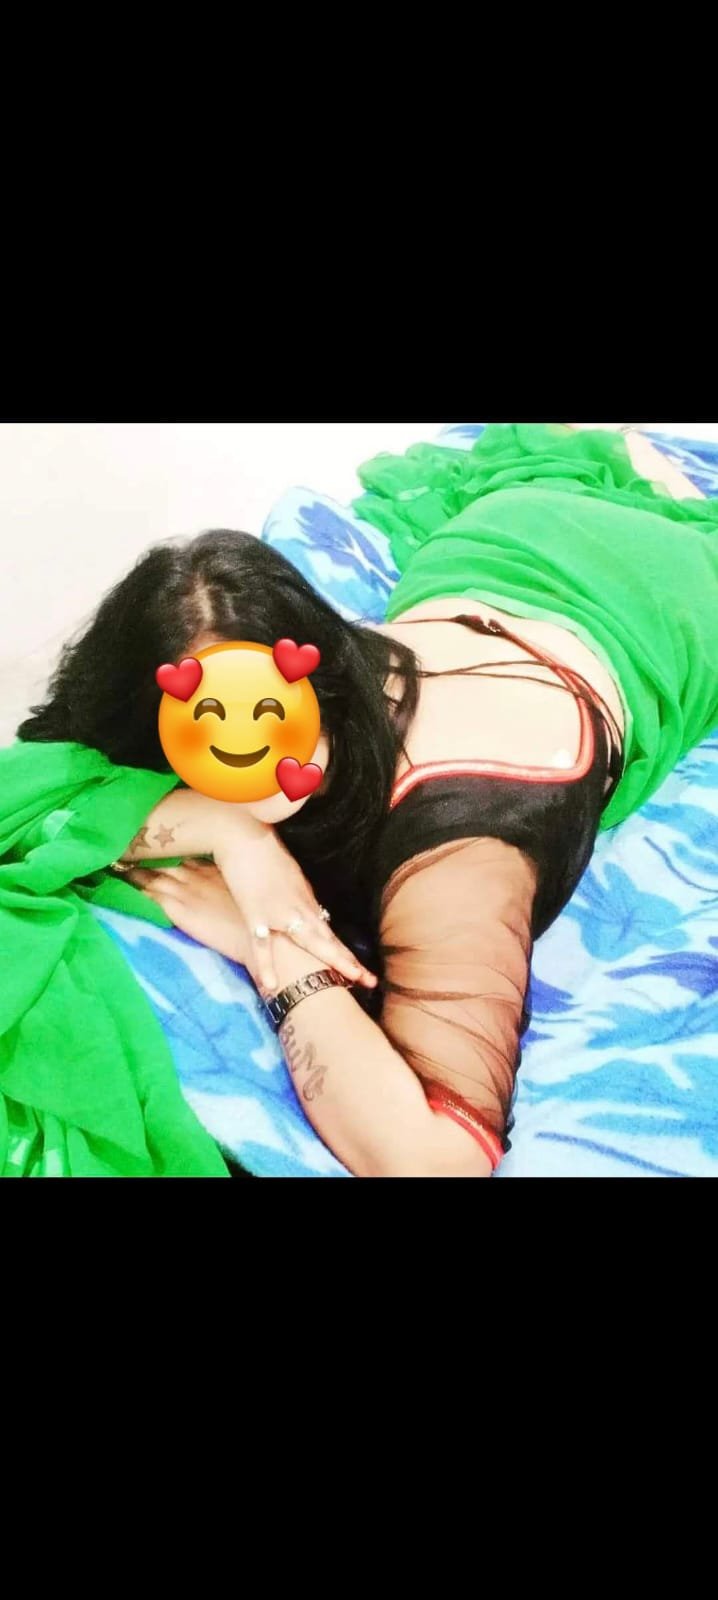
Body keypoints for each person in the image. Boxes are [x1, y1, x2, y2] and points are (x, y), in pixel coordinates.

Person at [10, 423, 718, 1178]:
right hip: (493, 552)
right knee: (588, 470)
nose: (240, 764)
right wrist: (237, 838)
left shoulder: (461, 848)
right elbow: (46, 781)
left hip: (652, 600)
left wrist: (275, 947)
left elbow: (436, 1161)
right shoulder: (294, 699)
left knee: (656, 492)